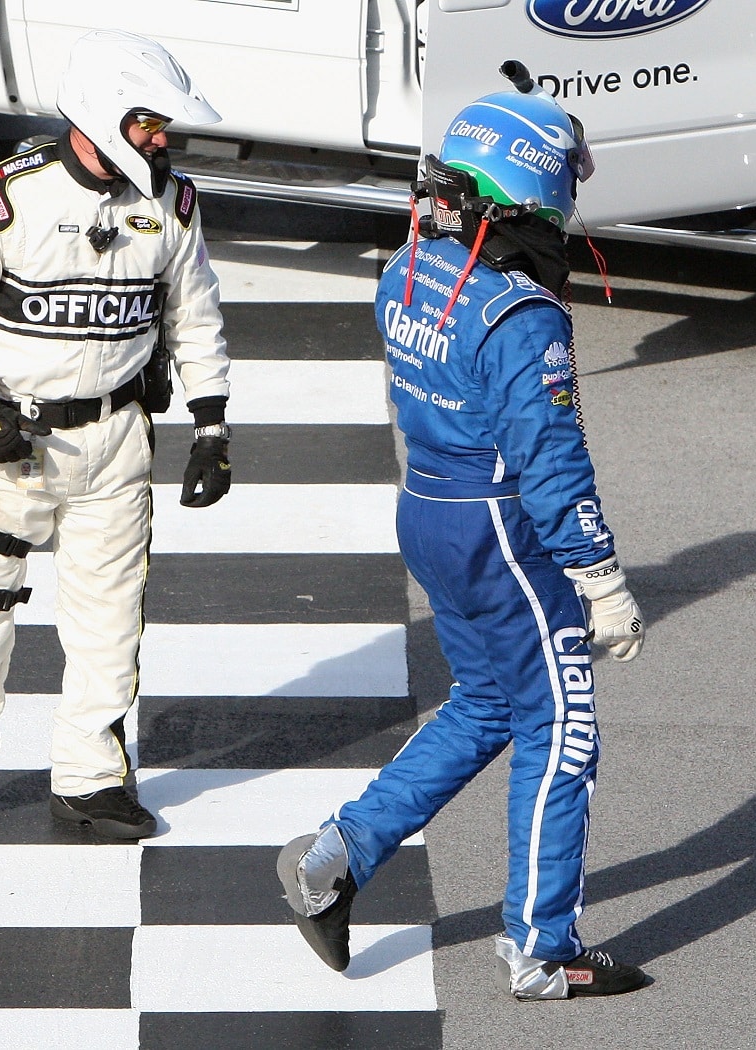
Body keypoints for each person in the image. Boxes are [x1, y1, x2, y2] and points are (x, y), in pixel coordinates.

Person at [277, 78, 650, 1000]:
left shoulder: (404, 270)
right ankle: (540, 947)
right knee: (561, 729)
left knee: (484, 705)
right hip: (500, 527)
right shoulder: (522, 318)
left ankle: (335, 857)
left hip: (428, 506)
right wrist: (599, 575)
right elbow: (552, 460)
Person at [0, 29, 233, 841]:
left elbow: (196, 314)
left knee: (111, 623)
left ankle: (89, 780)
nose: (161, 137)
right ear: (102, 111)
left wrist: (212, 424)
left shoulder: (171, 204)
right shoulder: (5, 196)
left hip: (116, 444)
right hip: (13, 451)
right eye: (148, 121)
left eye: (162, 125)